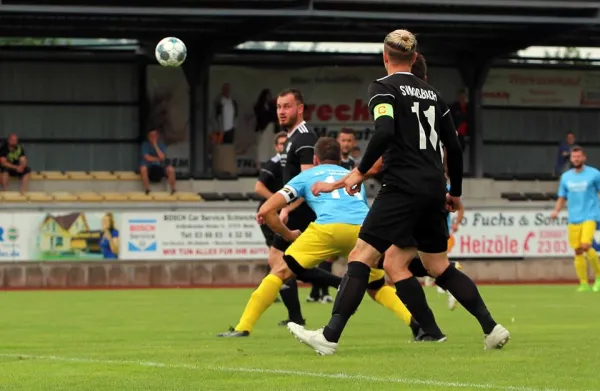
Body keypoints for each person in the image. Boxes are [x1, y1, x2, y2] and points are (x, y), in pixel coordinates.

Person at [288, 29, 508, 355]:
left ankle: (330, 336)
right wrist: (455, 191)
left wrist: (359, 173)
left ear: (386, 57)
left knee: (361, 257)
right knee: (437, 266)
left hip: (402, 186)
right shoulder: (435, 96)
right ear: (415, 58)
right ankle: (491, 328)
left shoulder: (383, 88)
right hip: (434, 187)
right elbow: (455, 150)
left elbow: (384, 132)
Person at [217, 137, 424, 339]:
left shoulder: (308, 174)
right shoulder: (351, 175)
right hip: (362, 231)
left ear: (315, 159)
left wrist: (288, 235)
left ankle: (243, 327)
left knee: (279, 272)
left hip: (327, 228)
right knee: (377, 285)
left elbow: (266, 210)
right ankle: (416, 323)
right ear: (339, 158)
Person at [220, 88, 319, 334]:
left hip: (302, 212)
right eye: (279, 107)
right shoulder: (290, 138)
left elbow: (308, 182)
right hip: (291, 210)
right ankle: (283, 319)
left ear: (300, 108)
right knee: (280, 264)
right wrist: (273, 206)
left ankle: (248, 326)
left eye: (287, 106)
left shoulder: (305, 137)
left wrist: (285, 209)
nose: (282, 111)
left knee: (285, 266)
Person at [307, 128, 359, 304]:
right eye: (343, 140)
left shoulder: (354, 164)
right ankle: (323, 292)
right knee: (327, 256)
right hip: (327, 212)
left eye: (349, 141)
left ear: (354, 143)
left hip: (345, 213)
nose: (346, 144)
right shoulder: (329, 163)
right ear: (338, 142)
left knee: (332, 256)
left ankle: (315, 292)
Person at [550, 146, 600, 292]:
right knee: (578, 250)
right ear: (571, 159)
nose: (576, 159)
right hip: (574, 217)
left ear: (584, 158)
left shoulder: (595, 174)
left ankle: (598, 277)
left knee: (586, 245)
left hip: (590, 215)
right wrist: (556, 211)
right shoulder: (566, 177)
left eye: (579, 157)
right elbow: (562, 196)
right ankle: (583, 283)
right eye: (574, 157)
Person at [254, 131, 287, 303]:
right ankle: (268, 288)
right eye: (280, 144)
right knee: (279, 253)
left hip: (279, 213)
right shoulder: (274, 163)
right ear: (276, 147)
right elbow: (258, 187)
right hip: (269, 215)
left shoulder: (289, 164)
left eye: (285, 143)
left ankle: (267, 288)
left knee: (279, 254)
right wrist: (276, 202)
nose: (283, 146)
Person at [139, 130, 177, 195]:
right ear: (148, 137)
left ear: (157, 136)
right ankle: (147, 190)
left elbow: (162, 157)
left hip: (160, 167)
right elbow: (147, 158)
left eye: (155, 135)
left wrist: (155, 145)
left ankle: (173, 189)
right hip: (149, 168)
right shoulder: (145, 145)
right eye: (151, 135)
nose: (153, 137)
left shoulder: (161, 145)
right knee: (143, 168)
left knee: (171, 169)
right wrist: (158, 159)